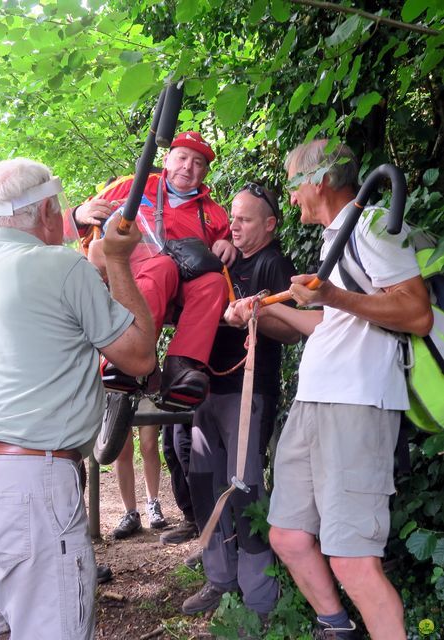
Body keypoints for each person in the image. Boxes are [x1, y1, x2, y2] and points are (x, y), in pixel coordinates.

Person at [226, 141, 433, 639]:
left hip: (358, 403)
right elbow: (332, 324)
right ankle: (337, 629)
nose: (291, 198)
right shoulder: (336, 236)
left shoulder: (373, 226)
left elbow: (416, 313)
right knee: (289, 535)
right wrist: (266, 309)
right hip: (315, 399)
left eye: (294, 185)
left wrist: (334, 294)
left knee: (352, 559)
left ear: (318, 181)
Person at [0, 158, 155, 639]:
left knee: (14, 619)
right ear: (48, 210)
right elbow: (138, 357)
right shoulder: (61, 265)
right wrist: (117, 259)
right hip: (31, 479)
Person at [182, 184, 300, 618]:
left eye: (245, 219)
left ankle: (259, 602)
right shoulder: (224, 259)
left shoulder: (273, 263)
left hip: (248, 395)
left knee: (244, 491)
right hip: (208, 389)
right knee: (203, 483)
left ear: (269, 225)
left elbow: (292, 331)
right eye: (233, 216)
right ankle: (220, 578)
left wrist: (258, 312)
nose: (234, 224)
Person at [72, 131, 234, 410]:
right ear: (167, 159)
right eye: (182, 157)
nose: (188, 167)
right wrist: (80, 213)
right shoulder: (132, 187)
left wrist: (226, 243)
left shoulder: (214, 212)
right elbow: (77, 221)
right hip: (130, 275)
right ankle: (125, 358)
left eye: (197, 163)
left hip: (183, 284)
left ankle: (182, 368)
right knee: (163, 266)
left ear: (205, 173)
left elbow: (226, 247)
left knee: (213, 284)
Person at [113, 424, 167, 538]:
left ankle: (153, 503)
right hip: (119, 406)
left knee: (150, 446)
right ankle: (131, 514)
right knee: (122, 449)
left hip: (147, 405)